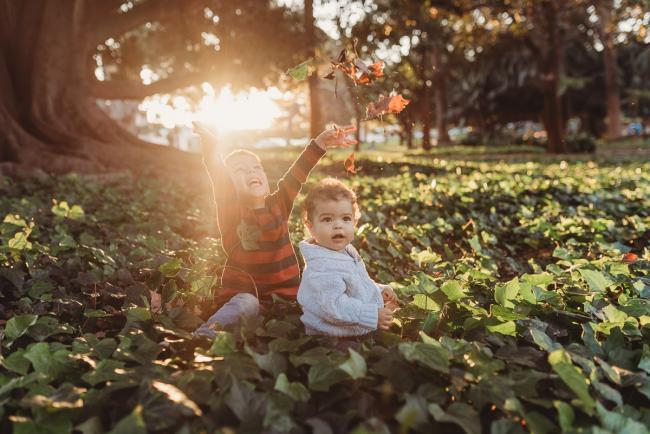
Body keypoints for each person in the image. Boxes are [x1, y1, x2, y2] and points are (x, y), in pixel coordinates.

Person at [192, 122, 357, 338]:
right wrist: (210, 145)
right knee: (246, 304)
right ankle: (206, 334)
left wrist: (319, 144)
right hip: (249, 301)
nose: (251, 172)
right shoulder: (232, 212)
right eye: (240, 170)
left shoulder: (279, 204)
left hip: (288, 302)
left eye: (256, 168)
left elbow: (297, 174)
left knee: (321, 302)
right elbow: (218, 178)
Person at [297, 178, 399, 337]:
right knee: (356, 355)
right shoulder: (321, 267)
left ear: (355, 222)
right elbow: (334, 306)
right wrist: (372, 314)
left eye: (345, 218)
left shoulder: (346, 251)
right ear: (310, 227)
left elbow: (356, 284)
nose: (338, 225)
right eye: (327, 219)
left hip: (354, 325)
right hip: (330, 333)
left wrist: (378, 290)